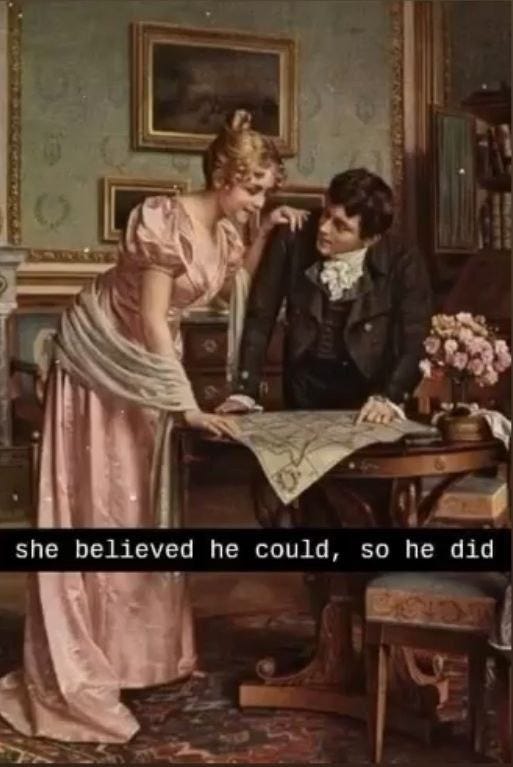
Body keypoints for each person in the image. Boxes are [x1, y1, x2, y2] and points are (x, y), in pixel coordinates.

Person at [0, 110, 306, 744]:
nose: (257, 201)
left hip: (144, 366)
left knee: (140, 504)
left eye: (264, 193)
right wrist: (185, 404)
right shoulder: (162, 219)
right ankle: (85, 654)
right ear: (224, 176)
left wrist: (268, 228)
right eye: (254, 190)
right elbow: (151, 323)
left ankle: (135, 655)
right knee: (103, 502)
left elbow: (229, 278)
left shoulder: (225, 231)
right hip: (103, 363)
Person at [219, 167, 432, 425]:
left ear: (371, 239)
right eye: (326, 214)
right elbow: (260, 317)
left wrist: (390, 397)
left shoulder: (403, 259)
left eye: (340, 226)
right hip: (303, 388)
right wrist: (245, 392)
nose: (324, 228)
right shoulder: (293, 236)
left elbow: (415, 337)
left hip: (370, 394)